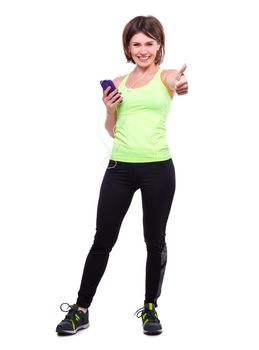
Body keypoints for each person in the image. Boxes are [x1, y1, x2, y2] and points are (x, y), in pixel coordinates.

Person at [56, 15, 188, 336]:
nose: (142, 50)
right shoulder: (117, 83)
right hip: (120, 169)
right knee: (103, 240)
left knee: (155, 241)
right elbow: (113, 131)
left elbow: (178, 84)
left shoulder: (167, 77)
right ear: (128, 48)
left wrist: (181, 86)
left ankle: (150, 308)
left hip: (158, 169)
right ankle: (81, 310)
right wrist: (110, 108)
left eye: (149, 44)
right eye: (136, 44)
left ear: (159, 47)